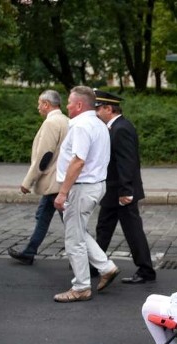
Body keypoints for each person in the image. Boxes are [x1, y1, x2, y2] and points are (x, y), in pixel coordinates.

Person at [53, 86, 120, 303]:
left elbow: (78, 161)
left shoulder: (81, 126)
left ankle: (81, 286)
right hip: (94, 185)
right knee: (80, 231)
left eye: (70, 103)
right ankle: (106, 266)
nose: (67, 106)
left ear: (79, 105)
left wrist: (63, 192)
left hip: (81, 187)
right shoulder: (98, 124)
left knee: (74, 238)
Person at [93, 89, 156, 285]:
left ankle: (146, 270)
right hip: (113, 190)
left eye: (98, 109)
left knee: (132, 231)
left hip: (121, 191)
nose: (96, 113)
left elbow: (127, 162)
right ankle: (95, 264)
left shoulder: (121, 128)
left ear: (108, 108)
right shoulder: (115, 127)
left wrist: (126, 191)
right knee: (103, 228)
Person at [7, 90, 69, 265]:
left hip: (52, 180)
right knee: (44, 215)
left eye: (39, 104)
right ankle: (29, 251)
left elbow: (44, 156)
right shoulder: (66, 120)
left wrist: (28, 181)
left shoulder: (51, 123)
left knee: (69, 223)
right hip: (60, 180)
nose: (38, 107)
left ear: (46, 104)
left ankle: (90, 259)